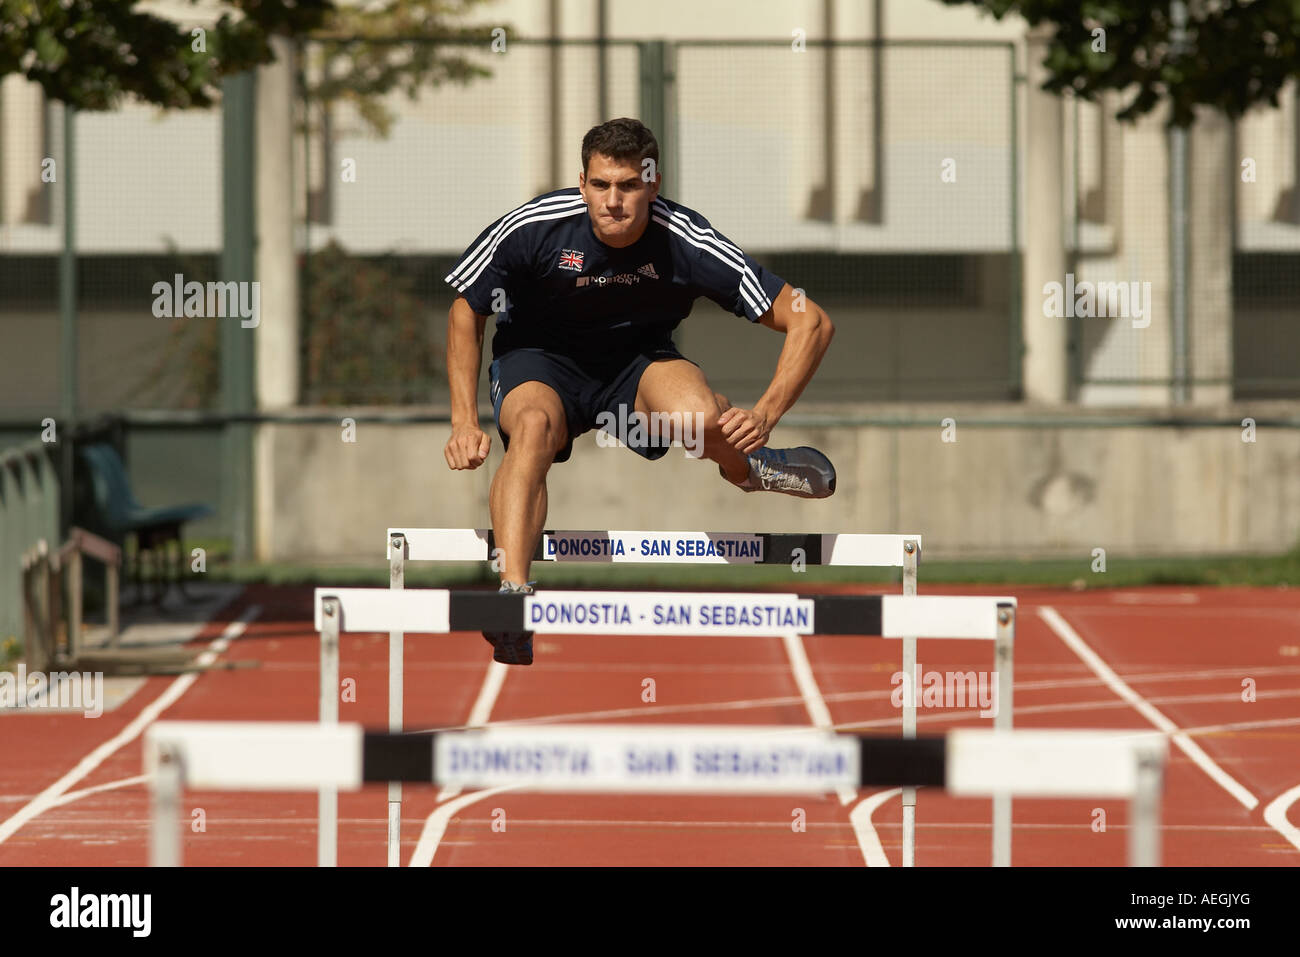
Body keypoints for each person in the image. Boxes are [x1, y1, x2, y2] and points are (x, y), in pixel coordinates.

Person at [443, 118, 836, 665]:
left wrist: (766, 413)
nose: (613, 202)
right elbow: (467, 308)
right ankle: (514, 599)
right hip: (539, 362)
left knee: (699, 417)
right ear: (581, 183)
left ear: (652, 184)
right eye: (601, 186)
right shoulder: (534, 227)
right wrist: (464, 420)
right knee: (531, 428)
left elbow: (810, 321)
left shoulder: (684, 238)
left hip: (636, 367)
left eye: (628, 186)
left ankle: (751, 468)